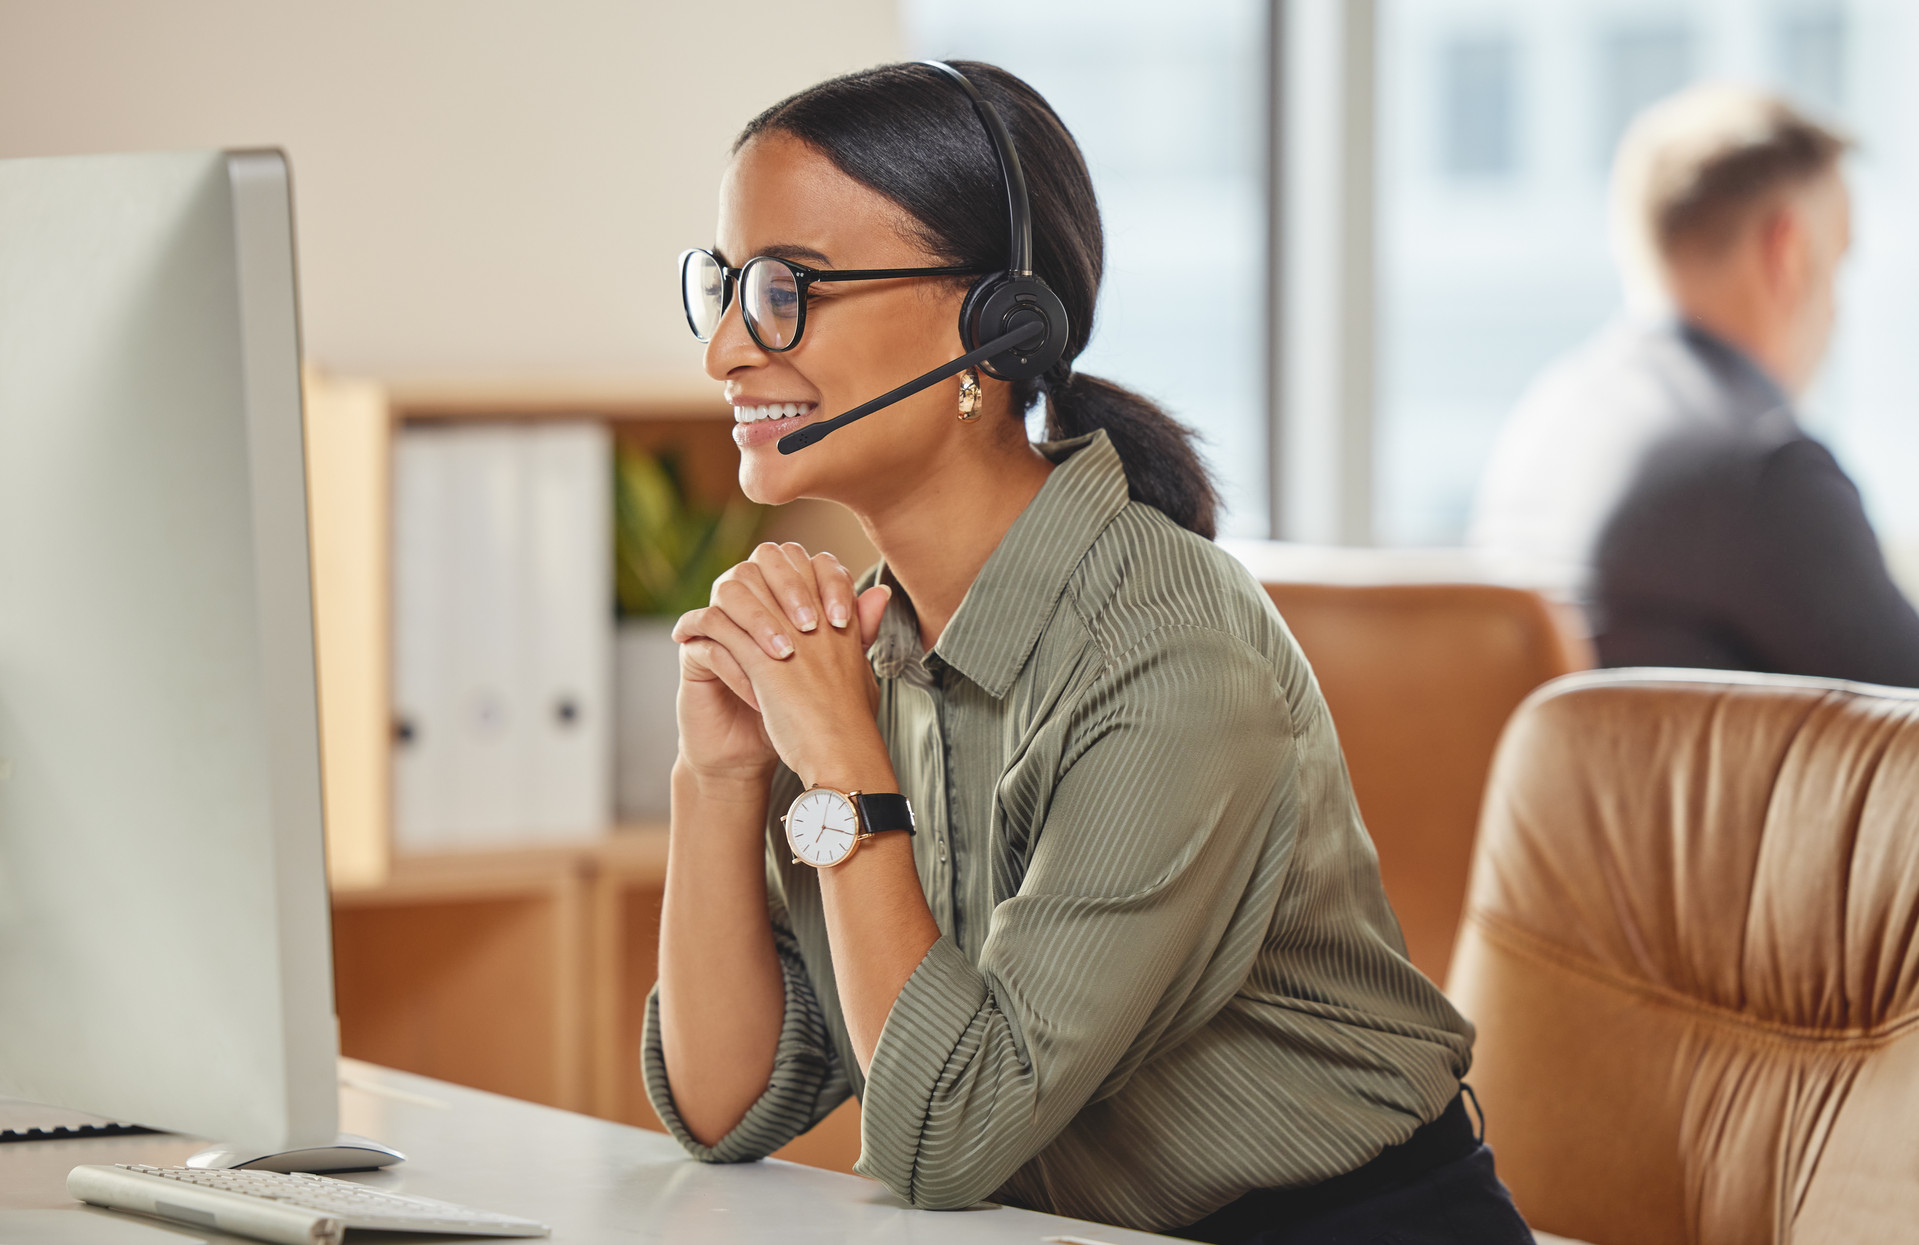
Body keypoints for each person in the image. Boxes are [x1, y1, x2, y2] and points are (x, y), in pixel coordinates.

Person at [645, 60, 1534, 1244]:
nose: (724, 352)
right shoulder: (871, 645)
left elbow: (943, 1138)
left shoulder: (1170, 654)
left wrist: (845, 769)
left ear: (994, 326)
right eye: (723, 288)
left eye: (784, 289)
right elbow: (725, 1102)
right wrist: (720, 776)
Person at [1472, 85, 1919, 686]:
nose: (1839, 314)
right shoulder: (1764, 468)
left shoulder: (1546, 420)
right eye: (1838, 263)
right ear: (1787, 252)